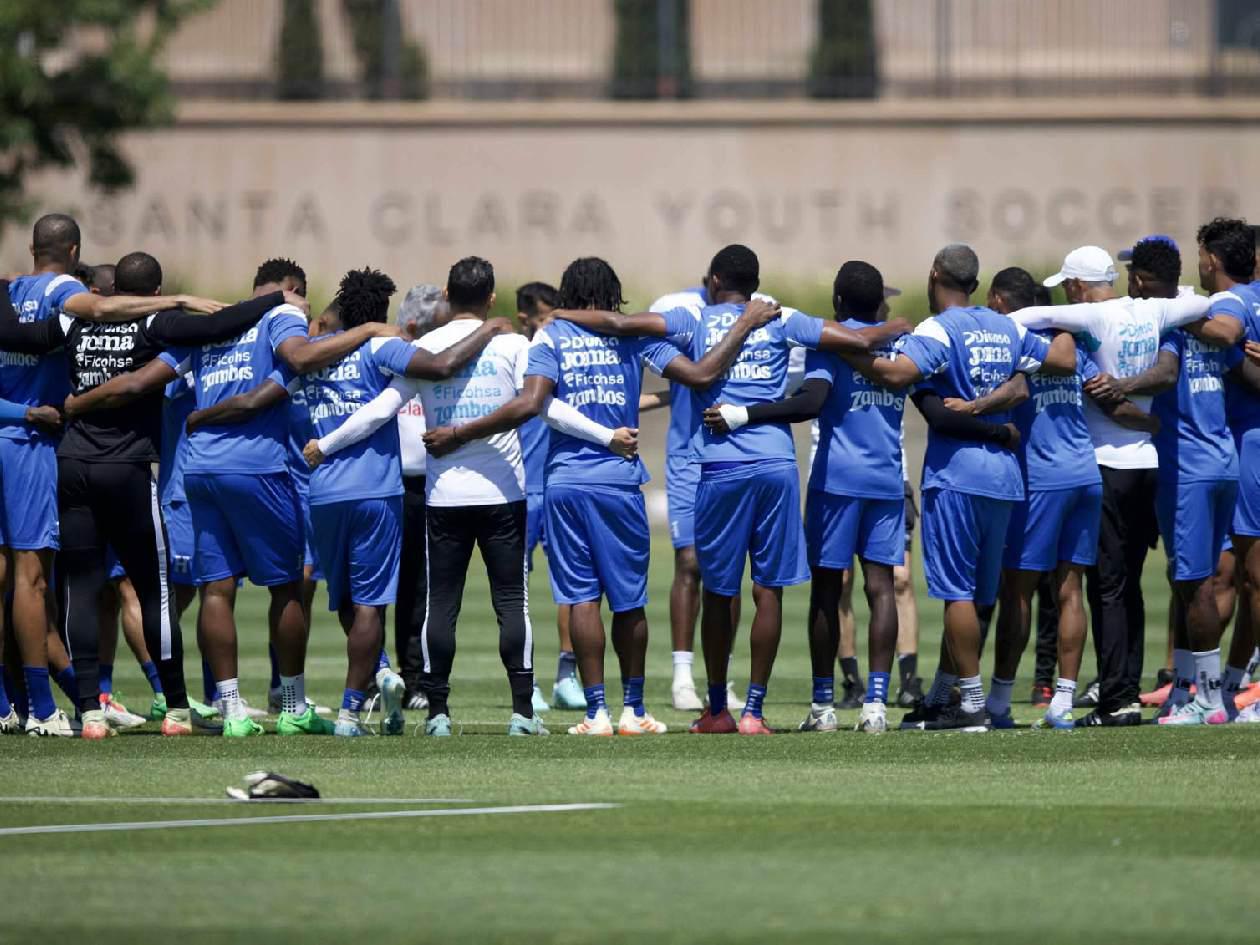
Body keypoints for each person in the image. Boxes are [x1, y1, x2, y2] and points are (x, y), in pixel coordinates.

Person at [427, 256, 776, 736]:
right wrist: (741, 329)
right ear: (613, 294)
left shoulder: (551, 336)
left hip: (567, 481)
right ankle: (634, 710)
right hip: (619, 481)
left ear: (567, 294)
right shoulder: (632, 336)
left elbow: (538, 404)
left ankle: (596, 713)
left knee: (582, 598)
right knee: (629, 601)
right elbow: (697, 374)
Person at [313, 258, 627, 736]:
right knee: (511, 602)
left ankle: (437, 713)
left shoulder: (423, 346)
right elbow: (543, 407)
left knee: (441, 604)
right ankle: (522, 713)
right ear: (491, 297)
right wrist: (605, 436)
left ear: (447, 294)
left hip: (444, 496)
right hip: (504, 492)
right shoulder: (512, 343)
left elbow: (381, 409)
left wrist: (326, 444)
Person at [0, 250, 281, 738]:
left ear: (108, 295)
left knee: (81, 589)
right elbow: (218, 326)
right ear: (154, 292)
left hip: (72, 466)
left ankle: (89, 711)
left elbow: (15, 335)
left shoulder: (72, 324)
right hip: (127, 470)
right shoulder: (155, 323)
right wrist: (274, 300)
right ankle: (176, 709)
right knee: (154, 591)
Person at [845, 244, 1078, 731]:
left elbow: (897, 373)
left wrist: (846, 350)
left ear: (935, 274)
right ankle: (957, 696)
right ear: (975, 283)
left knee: (957, 595)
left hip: (957, 476)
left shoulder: (938, 329)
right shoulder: (1007, 327)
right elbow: (1063, 358)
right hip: (1005, 477)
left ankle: (970, 703)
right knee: (982, 594)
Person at [1009, 242, 1235, 725]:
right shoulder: (1157, 310)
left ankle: (1117, 698)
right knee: (1131, 584)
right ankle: (1133, 686)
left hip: (1107, 464)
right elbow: (1206, 307)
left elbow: (1027, 317)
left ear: (1076, 286)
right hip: (1149, 464)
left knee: (1107, 587)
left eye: (1067, 287)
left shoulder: (1089, 317)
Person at [298, 267, 514, 737]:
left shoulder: (313, 353)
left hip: (323, 490)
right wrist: (489, 329)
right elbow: (440, 365)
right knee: (371, 604)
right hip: (375, 489)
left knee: (344, 600)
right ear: (380, 314)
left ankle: (381, 670)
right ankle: (350, 713)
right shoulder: (381, 346)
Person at [701, 260, 908, 734]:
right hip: (887, 478)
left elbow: (811, 402)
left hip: (837, 479)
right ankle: (876, 705)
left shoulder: (829, 345)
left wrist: (745, 413)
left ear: (837, 301)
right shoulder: (899, 344)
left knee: (828, 591)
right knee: (881, 588)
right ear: (880, 303)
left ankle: (823, 706)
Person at [1089, 219, 1258, 725]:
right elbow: (1243, 372)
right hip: (1224, 460)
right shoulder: (1200, 315)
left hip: (1188, 466)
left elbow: (1165, 373)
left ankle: (1207, 698)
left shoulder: (1177, 321)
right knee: (1201, 580)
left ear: (1141, 282)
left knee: (1195, 582)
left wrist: (1120, 385)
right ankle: (1188, 690)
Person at [976, 267, 1154, 730]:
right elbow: (1112, 401)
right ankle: (1063, 701)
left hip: (1042, 478)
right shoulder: (1072, 343)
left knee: (1018, 589)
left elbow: (1010, 390)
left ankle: (999, 700)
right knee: (1070, 588)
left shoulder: (1018, 342)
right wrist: (1158, 425)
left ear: (1004, 303)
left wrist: (973, 408)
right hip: (1085, 474)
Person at [515, 281, 582, 713]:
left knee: (572, 586)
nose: (552, 325)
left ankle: (566, 677)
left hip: (557, 484)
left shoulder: (561, 354)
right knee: (515, 591)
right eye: (544, 318)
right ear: (524, 319)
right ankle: (527, 681)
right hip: (518, 490)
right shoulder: (512, 357)